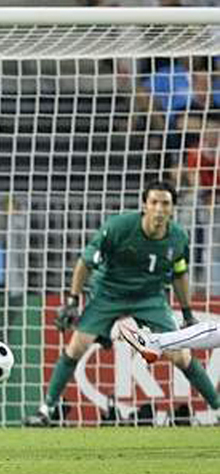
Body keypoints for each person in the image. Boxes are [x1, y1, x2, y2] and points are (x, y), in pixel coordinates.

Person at [25, 179, 220, 426]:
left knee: (180, 355)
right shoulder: (119, 227)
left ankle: (218, 407)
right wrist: (73, 300)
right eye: (154, 202)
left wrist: (188, 312)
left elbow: (180, 274)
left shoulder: (179, 238)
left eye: (165, 203)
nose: (159, 208)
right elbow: (85, 262)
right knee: (77, 346)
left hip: (150, 297)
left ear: (173, 209)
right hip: (109, 293)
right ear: (144, 206)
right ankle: (46, 410)